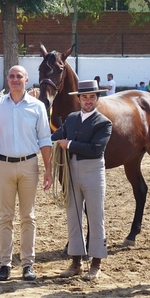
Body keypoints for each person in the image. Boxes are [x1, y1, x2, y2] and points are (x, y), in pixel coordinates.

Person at [0, 66, 53, 282]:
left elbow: (44, 139)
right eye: (12, 76)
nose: (15, 80)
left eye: (19, 77)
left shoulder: (37, 107)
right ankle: (5, 264)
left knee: (28, 216)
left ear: (27, 80)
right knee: (5, 216)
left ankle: (27, 264)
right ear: (7, 79)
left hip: (29, 165)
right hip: (4, 165)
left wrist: (48, 170)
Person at [51, 80, 112, 281]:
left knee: (96, 217)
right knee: (73, 216)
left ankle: (96, 263)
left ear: (97, 98)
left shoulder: (103, 122)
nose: (88, 100)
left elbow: (96, 149)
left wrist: (69, 144)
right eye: (84, 97)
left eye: (91, 97)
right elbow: (55, 136)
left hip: (93, 170)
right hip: (72, 170)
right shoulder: (71, 118)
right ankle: (76, 262)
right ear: (78, 99)